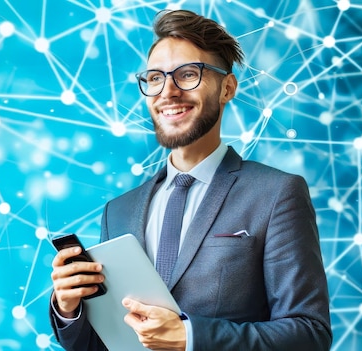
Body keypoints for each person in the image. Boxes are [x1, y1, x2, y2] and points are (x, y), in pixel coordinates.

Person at [48, 9, 332, 351]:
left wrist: (192, 337)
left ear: (227, 88)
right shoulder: (118, 211)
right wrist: (69, 308)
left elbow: (309, 334)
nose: (167, 91)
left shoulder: (276, 194)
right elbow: (108, 344)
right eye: (154, 78)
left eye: (188, 74)